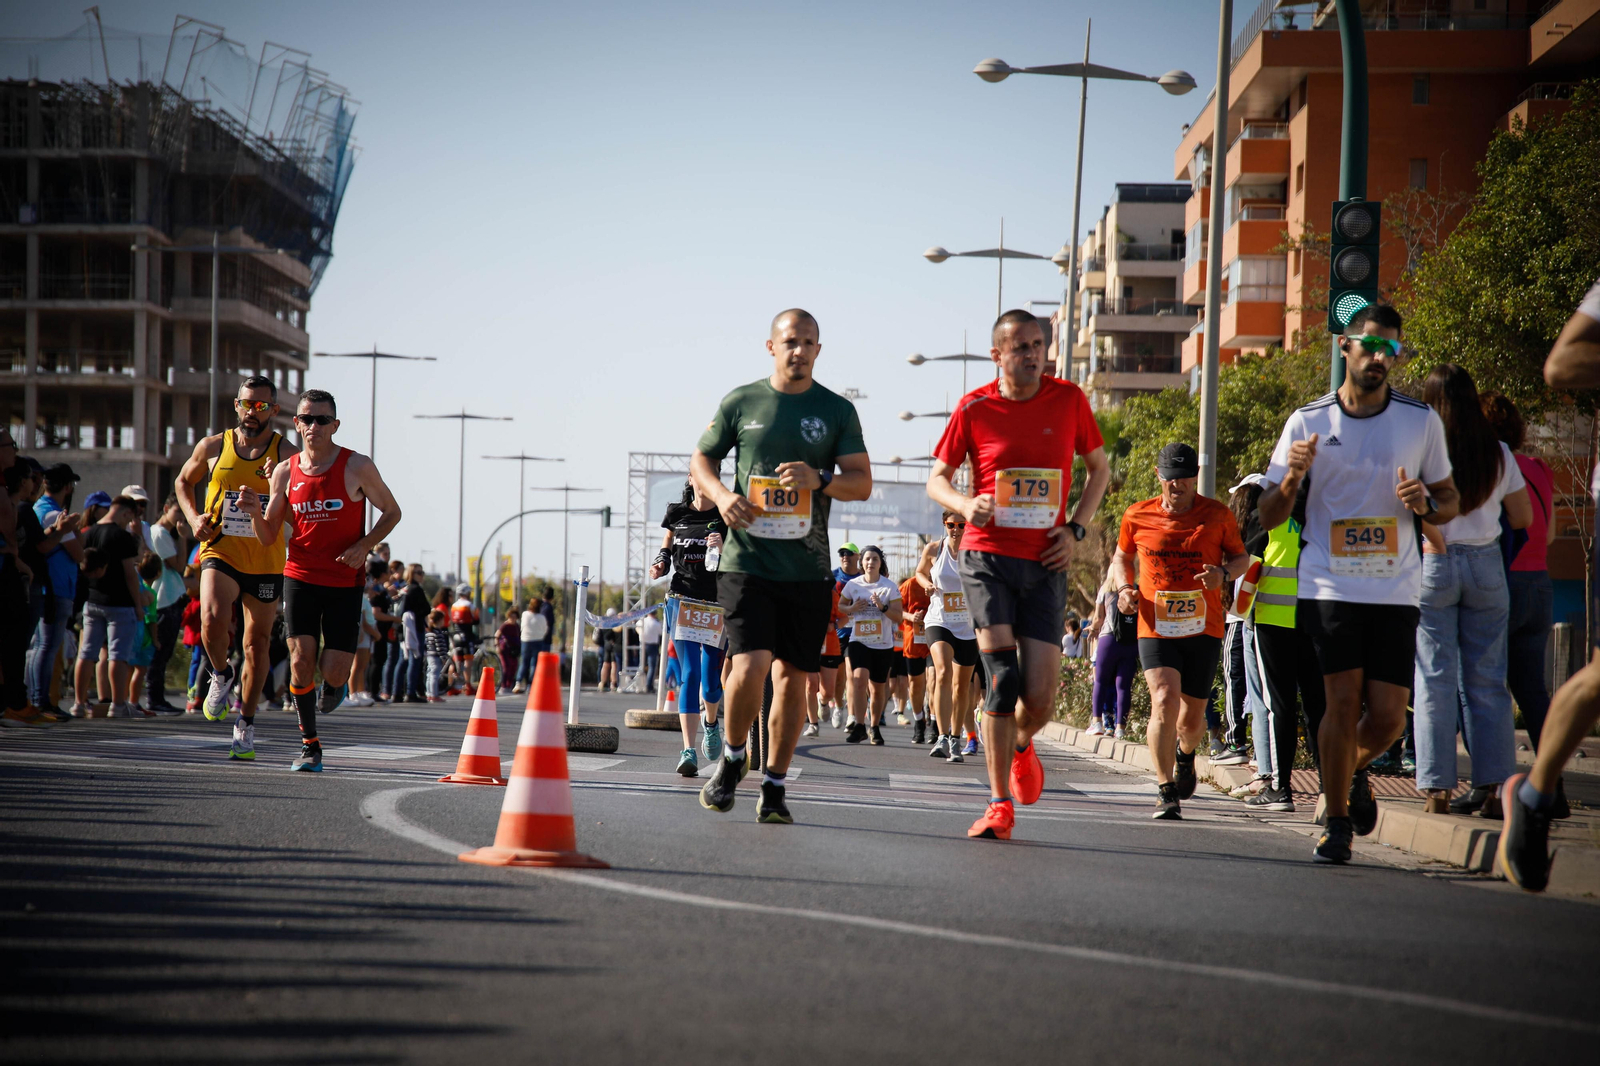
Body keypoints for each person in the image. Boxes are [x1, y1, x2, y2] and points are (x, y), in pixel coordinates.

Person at [1258, 304, 1459, 863]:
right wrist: (1294, 477)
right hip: (1329, 585)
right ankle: (1336, 822)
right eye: (1370, 346)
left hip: (1394, 589)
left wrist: (1427, 503)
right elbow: (1269, 515)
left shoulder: (1419, 422)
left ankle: (1348, 773)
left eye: (1391, 349)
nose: (1380, 357)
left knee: (1390, 718)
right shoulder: (1308, 422)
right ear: (1344, 348)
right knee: (1341, 702)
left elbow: (1450, 501)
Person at [927, 308, 1111, 840]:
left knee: (1041, 700)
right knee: (1002, 681)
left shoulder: (1069, 400)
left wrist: (1075, 530)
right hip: (985, 559)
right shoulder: (975, 407)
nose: (1032, 354)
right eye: (1020, 346)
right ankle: (998, 804)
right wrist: (965, 504)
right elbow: (936, 479)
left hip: (1046, 562)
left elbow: (1098, 470)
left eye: (1038, 344)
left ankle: (1023, 745)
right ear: (998, 355)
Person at [691, 307, 870, 823]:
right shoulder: (741, 401)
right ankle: (732, 757)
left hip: (808, 569)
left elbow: (861, 481)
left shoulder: (835, 411)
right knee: (748, 665)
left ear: (818, 349)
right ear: (771, 346)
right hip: (745, 561)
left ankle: (773, 786)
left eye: (809, 342)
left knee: (794, 680)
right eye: (790, 341)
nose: (799, 350)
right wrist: (723, 496)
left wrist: (821, 479)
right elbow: (701, 459)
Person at [238, 388, 402, 770]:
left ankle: (335, 683)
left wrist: (364, 545)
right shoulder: (284, 471)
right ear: (295, 423)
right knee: (300, 659)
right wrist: (252, 512)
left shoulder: (356, 466)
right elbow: (267, 535)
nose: (313, 426)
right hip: (300, 575)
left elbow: (392, 512)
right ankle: (310, 746)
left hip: (345, 580)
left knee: (333, 668)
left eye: (321, 419)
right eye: (306, 419)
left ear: (335, 425)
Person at [1501, 273, 1600, 891]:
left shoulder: (1519, 464)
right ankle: (1536, 796)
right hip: (1521, 579)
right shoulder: (1524, 463)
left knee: (1509, 682)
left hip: (1518, 580)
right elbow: (1560, 364)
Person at [1415, 365, 1530, 817]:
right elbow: (1522, 518)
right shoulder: (1499, 452)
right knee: (1487, 680)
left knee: (1434, 677)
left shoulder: (1422, 451)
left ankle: (1437, 790)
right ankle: (1497, 786)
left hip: (1434, 561)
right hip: (1486, 565)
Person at [1113, 443, 1250, 820]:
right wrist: (1125, 589)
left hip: (1202, 627)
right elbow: (1122, 557)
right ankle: (1165, 788)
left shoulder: (1218, 515)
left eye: (1185, 480)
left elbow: (1241, 559)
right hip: (1154, 623)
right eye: (1171, 480)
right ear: (1160, 477)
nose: (1178, 487)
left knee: (1190, 723)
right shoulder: (1136, 515)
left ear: (1195, 479)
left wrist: (1222, 574)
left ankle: (1185, 754)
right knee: (1163, 699)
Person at [175, 376, 292, 731]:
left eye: (260, 405)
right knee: (211, 618)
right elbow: (183, 481)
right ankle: (222, 674)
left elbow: (302, 503)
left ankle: (246, 722)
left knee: (256, 646)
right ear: (236, 405)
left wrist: (279, 482)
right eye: (245, 403)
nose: (251, 411)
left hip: (265, 556)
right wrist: (194, 518)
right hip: (219, 549)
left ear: (274, 409)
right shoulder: (213, 446)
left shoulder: (286, 454)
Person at [1481, 390, 1566, 817]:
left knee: (1489, 687)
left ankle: (1496, 790)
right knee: (1533, 691)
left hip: (1503, 582)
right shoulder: (1539, 468)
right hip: (1540, 584)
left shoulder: (1490, 466)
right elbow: (1547, 535)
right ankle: (1554, 788)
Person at [649, 478, 728, 775]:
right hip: (682, 599)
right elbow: (666, 551)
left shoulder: (725, 515)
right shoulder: (676, 513)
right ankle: (688, 750)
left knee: (709, 679)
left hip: (716, 604)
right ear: (693, 479)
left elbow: (741, 559)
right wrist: (659, 565)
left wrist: (724, 546)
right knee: (690, 674)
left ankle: (711, 724)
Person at [73, 495, 151, 717]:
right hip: (120, 602)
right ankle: (117, 705)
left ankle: (79, 703)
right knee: (118, 654)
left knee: (87, 652)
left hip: (93, 599)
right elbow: (130, 573)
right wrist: (137, 605)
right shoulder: (121, 536)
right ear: (126, 513)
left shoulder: (89, 532)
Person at [917, 510, 979, 762]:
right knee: (942, 671)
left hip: (967, 625)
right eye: (951, 524)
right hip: (939, 619)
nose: (956, 529)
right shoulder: (934, 549)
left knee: (962, 686)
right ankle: (942, 735)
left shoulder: (976, 553)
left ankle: (955, 737)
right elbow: (920, 572)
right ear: (944, 525)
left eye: (961, 524)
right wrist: (927, 584)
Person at [27, 464, 84, 715]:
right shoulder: (54, 515)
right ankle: (42, 700)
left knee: (39, 645)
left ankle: (34, 699)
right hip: (56, 586)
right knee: (47, 646)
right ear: (68, 486)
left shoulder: (38, 508)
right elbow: (79, 552)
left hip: (46, 585)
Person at [838, 544, 902, 745]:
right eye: (867, 559)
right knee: (858, 679)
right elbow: (841, 605)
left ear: (880, 562)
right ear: (861, 562)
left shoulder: (889, 587)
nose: (870, 563)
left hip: (882, 644)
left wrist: (883, 607)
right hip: (859, 641)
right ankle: (858, 725)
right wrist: (852, 608)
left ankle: (874, 727)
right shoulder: (853, 585)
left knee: (877, 688)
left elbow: (898, 616)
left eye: (874, 559)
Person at [144, 493, 191, 713]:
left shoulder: (163, 533)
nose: (180, 517)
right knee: (160, 651)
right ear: (166, 508)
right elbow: (179, 565)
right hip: (164, 599)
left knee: (165, 651)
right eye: (177, 511)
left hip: (169, 599)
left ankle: (157, 697)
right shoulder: (160, 533)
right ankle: (155, 698)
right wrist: (183, 537)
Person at [1087, 565, 1138, 740]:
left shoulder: (1105, 589)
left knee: (1100, 681)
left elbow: (1098, 619)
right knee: (1123, 686)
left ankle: (1097, 723)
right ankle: (1120, 728)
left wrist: (1092, 629)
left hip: (1108, 640)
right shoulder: (1137, 589)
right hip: (1131, 642)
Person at [898, 568, 931, 743]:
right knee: (915, 684)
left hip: (937, 639)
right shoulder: (910, 585)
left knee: (935, 681)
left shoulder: (945, 582)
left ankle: (935, 723)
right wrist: (911, 616)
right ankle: (919, 720)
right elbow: (896, 609)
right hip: (914, 641)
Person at [515, 592, 550, 693]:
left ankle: (518, 681)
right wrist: (541, 635)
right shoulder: (542, 617)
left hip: (526, 640)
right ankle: (531, 685)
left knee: (524, 662)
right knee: (534, 663)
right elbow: (545, 629)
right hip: (538, 640)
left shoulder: (525, 615)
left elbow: (522, 627)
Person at [448, 584, 479, 694]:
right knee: (468, 660)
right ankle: (468, 686)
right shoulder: (470, 605)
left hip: (456, 635)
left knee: (455, 660)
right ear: (467, 593)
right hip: (467, 635)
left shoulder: (454, 606)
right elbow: (476, 619)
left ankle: (450, 687)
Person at [424, 608, 451, 700]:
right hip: (436, 657)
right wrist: (444, 657)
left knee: (429, 674)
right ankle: (434, 695)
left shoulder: (429, 632)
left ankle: (429, 693)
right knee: (435, 675)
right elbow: (440, 647)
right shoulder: (438, 633)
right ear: (439, 620)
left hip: (429, 656)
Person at [496, 607, 521, 692]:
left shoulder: (517, 626)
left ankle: (510, 684)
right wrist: (497, 646)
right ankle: (504, 685)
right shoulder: (505, 625)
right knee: (506, 666)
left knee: (514, 666)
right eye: (511, 617)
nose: (513, 619)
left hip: (514, 649)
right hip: (505, 648)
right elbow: (497, 635)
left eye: (515, 617)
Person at [639, 609, 663, 692]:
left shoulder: (642, 621)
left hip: (643, 644)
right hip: (653, 645)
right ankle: (649, 685)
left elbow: (636, 628)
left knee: (641, 664)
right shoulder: (656, 623)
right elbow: (660, 633)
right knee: (652, 666)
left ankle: (639, 683)